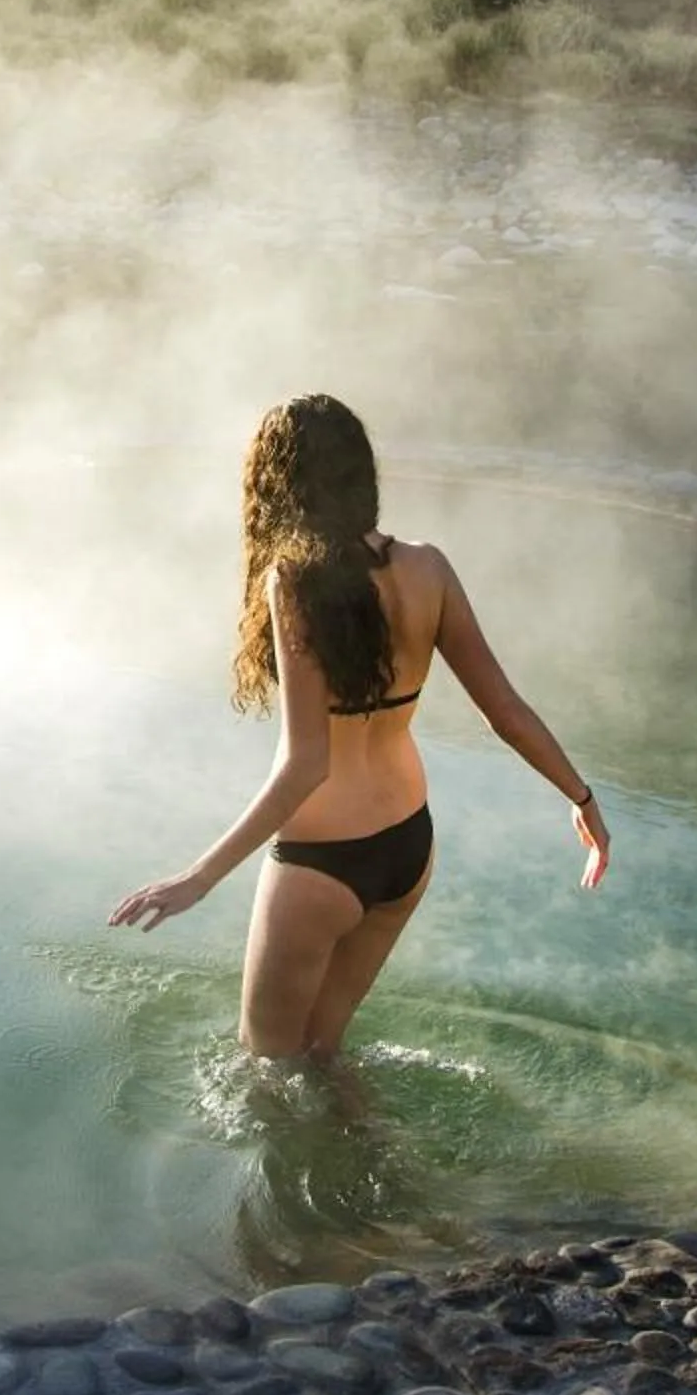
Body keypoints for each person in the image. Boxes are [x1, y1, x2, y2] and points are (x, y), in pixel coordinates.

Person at [109, 394, 610, 1061]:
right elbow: (506, 712)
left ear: (279, 482)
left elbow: (306, 765)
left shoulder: (293, 583)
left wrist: (199, 877)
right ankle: (397, 1166)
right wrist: (582, 800)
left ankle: (356, 1166)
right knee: (322, 1050)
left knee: (268, 1068)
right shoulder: (428, 566)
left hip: (321, 861)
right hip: (408, 845)